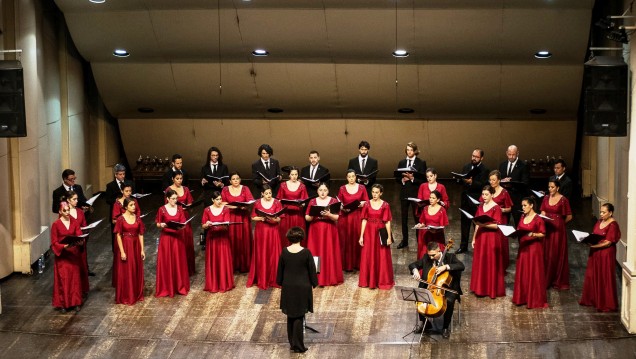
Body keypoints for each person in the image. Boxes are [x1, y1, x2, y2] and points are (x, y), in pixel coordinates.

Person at [409, 241, 464, 339]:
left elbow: (461, 266)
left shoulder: (450, 257)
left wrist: (446, 267)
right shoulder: (427, 258)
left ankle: (445, 327)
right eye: (429, 255)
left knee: (449, 301)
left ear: (439, 251)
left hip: (448, 288)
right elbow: (413, 265)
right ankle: (426, 323)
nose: (431, 257)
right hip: (431, 287)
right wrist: (415, 271)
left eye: (433, 255)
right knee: (418, 296)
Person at [276, 227, 318, 354]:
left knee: (290, 315)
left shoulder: (284, 251)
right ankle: (299, 345)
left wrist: (280, 282)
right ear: (301, 237)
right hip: (302, 287)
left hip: (288, 286)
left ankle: (292, 344)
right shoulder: (306, 252)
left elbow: (280, 272)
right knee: (299, 316)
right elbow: (312, 270)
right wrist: (314, 283)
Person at [580, 203, 621, 312]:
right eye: (601, 212)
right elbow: (594, 234)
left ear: (610, 213)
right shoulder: (599, 221)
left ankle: (606, 302)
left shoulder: (613, 225)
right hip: (595, 252)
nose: (601, 214)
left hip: (606, 254)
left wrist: (594, 246)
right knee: (593, 274)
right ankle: (594, 299)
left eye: (604, 212)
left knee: (604, 275)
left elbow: (608, 242)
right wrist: (588, 240)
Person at [50, 201, 87, 313]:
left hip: (73, 253)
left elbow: (79, 234)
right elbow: (54, 242)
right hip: (63, 256)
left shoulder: (74, 222)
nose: (67, 212)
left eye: (68, 210)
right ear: (60, 211)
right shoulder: (56, 224)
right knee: (64, 279)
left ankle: (76, 302)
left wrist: (81, 242)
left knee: (75, 278)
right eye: (64, 210)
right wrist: (64, 246)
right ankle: (63, 303)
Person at [470, 185, 505, 298]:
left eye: (486, 194)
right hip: (481, 237)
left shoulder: (496, 208)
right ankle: (479, 288)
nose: (484, 196)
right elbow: (477, 224)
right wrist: (474, 238)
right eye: (483, 194)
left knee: (490, 262)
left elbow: (496, 226)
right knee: (481, 261)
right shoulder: (480, 206)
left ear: (492, 195)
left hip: (491, 238)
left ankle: (490, 289)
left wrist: (483, 224)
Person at [512, 197, 548, 309]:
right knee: (524, 272)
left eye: (525, 205)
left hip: (534, 250)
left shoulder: (538, 219)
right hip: (523, 248)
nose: (523, 208)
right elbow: (519, 229)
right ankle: (522, 297)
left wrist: (534, 235)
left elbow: (543, 234)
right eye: (522, 206)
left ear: (531, 205)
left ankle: (534, 298)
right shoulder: (523, 216)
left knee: (533, 272)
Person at [305, 182, 343, 286]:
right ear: (317, 191)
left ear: (328, 191)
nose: (322, 192)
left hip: (329, 230)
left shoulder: (333, 201)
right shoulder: (313, 201)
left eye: (325, 190)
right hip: (316, 230)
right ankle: (317, 277)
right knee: (316, 253)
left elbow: (337, 217)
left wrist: (329, 214)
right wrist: (313, 214)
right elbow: (307, 218)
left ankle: (330, 276)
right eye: (320, 190)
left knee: (329, 251)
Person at [358, 184, 394, 289]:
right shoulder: (367, 204)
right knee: (368, 254)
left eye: (377, 192)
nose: (374, 194)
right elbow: (364, 220)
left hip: (380, 231)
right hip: (369, 232)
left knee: (381, 255)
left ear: (381, 193)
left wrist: (389, 237)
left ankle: (381, 280)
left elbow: (387, 221)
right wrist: (361, 236)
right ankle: (368, 280)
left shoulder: (385, 205)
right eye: (373, 192)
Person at [247, 185, 284, 290]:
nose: (269, 195)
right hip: (261, 230)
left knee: (273, 252)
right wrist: (261, 218)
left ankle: (274, 278)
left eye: (270, 193)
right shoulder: (257, 203)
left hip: (273, 231)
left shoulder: (277, 202)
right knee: (262, 252)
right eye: (266, 193)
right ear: (262, 193)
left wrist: (274, 218)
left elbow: (279, 219)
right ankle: (262, 277)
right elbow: (253, 217)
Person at [155, 189, 190, 297]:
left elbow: (183, 223)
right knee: (167, 261)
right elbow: (157, 223)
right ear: (168, 199)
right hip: (166, 239)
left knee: (177, 261)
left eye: (176, 198)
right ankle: (167, 287)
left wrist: (181, 226)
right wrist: (162, 225)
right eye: (173, 199)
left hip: (177, 238)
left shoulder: (179, 209)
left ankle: (179, 286)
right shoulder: (162, 209)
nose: (175, 201)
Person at [540, 179, 572, 290]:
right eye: (549, 187)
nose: (550, 189)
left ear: (557, 188)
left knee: (556, 253)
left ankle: (557, 279)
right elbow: (543, 212)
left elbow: (569, 216)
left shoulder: (563, 200)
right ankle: (546, 278)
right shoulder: (545, 198)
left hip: (558, 231)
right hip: (547, 228)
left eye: (552, 187)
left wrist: (560, 224)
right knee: (547, 252)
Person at [113, 198, 146, 305]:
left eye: (134, 205)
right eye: (131, 205)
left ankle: (136, 294)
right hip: (126, 245)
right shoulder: (120, 219)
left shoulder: (138, 219)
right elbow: (118, 235)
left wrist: (142, 249)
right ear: (126, 207)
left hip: (135, 245)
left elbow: (141, 234)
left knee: (135, 268)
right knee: (126, 270)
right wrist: (122, 251)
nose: (134, 207)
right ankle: (126, 295)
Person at [201, 191, 235, 293]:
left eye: (220, 199)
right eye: (217, 199)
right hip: (212, 239)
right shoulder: (207, 210)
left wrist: (224, 224)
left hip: (223, 237)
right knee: (213, 260)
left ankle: (225, 283)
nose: (219, 201)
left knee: (223, 259)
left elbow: (227, 223)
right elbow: (203, 225)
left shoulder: (225, 209)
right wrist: (207, 224)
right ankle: (213, 284)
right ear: (212, 200)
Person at [395, 142, 427, 249]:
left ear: (415, 151)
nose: (409, 152)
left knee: (417, 217)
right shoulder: (402, 162)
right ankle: (405, 241)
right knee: (403, 219)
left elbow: (423, 179)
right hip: (404, 193)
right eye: (407, 150)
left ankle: (419, 241)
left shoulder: (421, 163)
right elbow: (397, 177)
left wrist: (412, 178)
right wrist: (402, 180)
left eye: (411, 150)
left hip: (415, 193)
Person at [222, 171, 255, 273]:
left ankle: (244, 264)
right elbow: (222, 203)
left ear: (240, 179)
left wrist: (245, 205)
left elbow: (250, 200)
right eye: (233, 179)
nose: (235, 181)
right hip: (231, 216)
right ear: (230, 181)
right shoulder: (225, 189)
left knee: (244, 239)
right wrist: (234, 206)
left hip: (243, 216)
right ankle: (232, 264)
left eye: (237, 179)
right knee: (232, 239)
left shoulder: (245, 188)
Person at [457, 149, 489, 254]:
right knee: (464, 223)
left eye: (476, 157)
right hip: (465, 200)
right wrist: (459, 179)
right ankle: (463, 246)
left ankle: (478, 246)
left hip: (476, 200)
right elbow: (462, 180)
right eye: (473, 156)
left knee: (477, 224)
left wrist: (472, 182)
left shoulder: (484, 169)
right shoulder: (466, 166)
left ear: (481, 158)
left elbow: (483, 185)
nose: (474, 158)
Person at [337, 169, 369, 271]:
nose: (351, 178)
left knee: (357, 237)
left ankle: (358, 264)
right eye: (349, 177)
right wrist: (342, 207)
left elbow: (367, 201)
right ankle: (347, 265)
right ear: (347, 178)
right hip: (346, 217)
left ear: (356, 177)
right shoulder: (342, 188)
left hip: (357, 216)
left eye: (353, 176)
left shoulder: (362, 187)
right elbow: (339, 203)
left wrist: (361, 204)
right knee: (346, 239)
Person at [166, 170, 195, 276]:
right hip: (174, 217)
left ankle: (188, 268)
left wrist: (188, 206)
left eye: (181, 178)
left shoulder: (186, 189)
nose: (179, 181)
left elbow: (190, 202)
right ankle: (178, 269)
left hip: (184, 216)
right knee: (177, 242)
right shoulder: (168, 190)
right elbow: (166, 207)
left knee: (186, 240)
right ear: (172, 179)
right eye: (177, 179)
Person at [110, 183, 140, 287]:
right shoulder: (117, 204)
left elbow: (138, 215)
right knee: (122, 258)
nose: (128, 193)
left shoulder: (134, 201)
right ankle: (121, 281)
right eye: (126, 191)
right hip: (122, 234)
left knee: (133, 258)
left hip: (133, 232)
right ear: (122, 191)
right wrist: (123, 219)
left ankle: (133, 280)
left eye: (130, 191)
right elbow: (114, 220)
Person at [485, 170, 513, 268]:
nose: (491, 182)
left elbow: (509, 208)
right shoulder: (488, 190)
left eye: (494, 180)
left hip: (501, 219)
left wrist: (501, 210)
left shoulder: (504, 192)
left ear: (499, 180)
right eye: (490, 180)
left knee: (500, 242)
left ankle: (500, 265)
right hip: (489, 219)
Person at [276, 166, 309, 247]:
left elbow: (305, 200)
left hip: (298, 215)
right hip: (286, 215)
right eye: (292, 174)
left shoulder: (302, 186)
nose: (294, 176)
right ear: (289, 175)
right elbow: (278, 200)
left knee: (298, 234)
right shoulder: (283, 185)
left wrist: (302, 204)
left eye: (296, 174)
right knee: (285, 234)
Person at [498, 145, 529, 226]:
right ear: (506, 153)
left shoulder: (523, 166)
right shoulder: (502, 165)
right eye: (509, 154)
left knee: (519, 224)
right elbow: (498, 181)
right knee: (503, 224)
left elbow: (525, 183)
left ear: (517, 153)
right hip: (504, 200)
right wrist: (502, 181)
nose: (511, 157)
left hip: (517, 200)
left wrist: (511, 183)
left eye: (513, 154)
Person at [67, 191, 94, 283]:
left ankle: (83, 289)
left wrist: (85, 231)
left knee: (81, 264)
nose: (76, 201)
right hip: (70, 243)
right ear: (68, 200)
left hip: (80, 241)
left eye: (77, 199)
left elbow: (84, 225)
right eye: (74, 199)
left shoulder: (80, 212)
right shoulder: (65, 213)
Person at [414, 190, 449, 259]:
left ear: (438, 199)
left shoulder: (442, 210)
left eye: (433, 198)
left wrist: (436, 230)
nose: (431, 199)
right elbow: (423, 222)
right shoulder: (425, 208)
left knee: (436, 256)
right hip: (427, 235)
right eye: (430, 197)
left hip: (437, 236)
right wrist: (420, 225)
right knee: (425, 254)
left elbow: (442, 226)